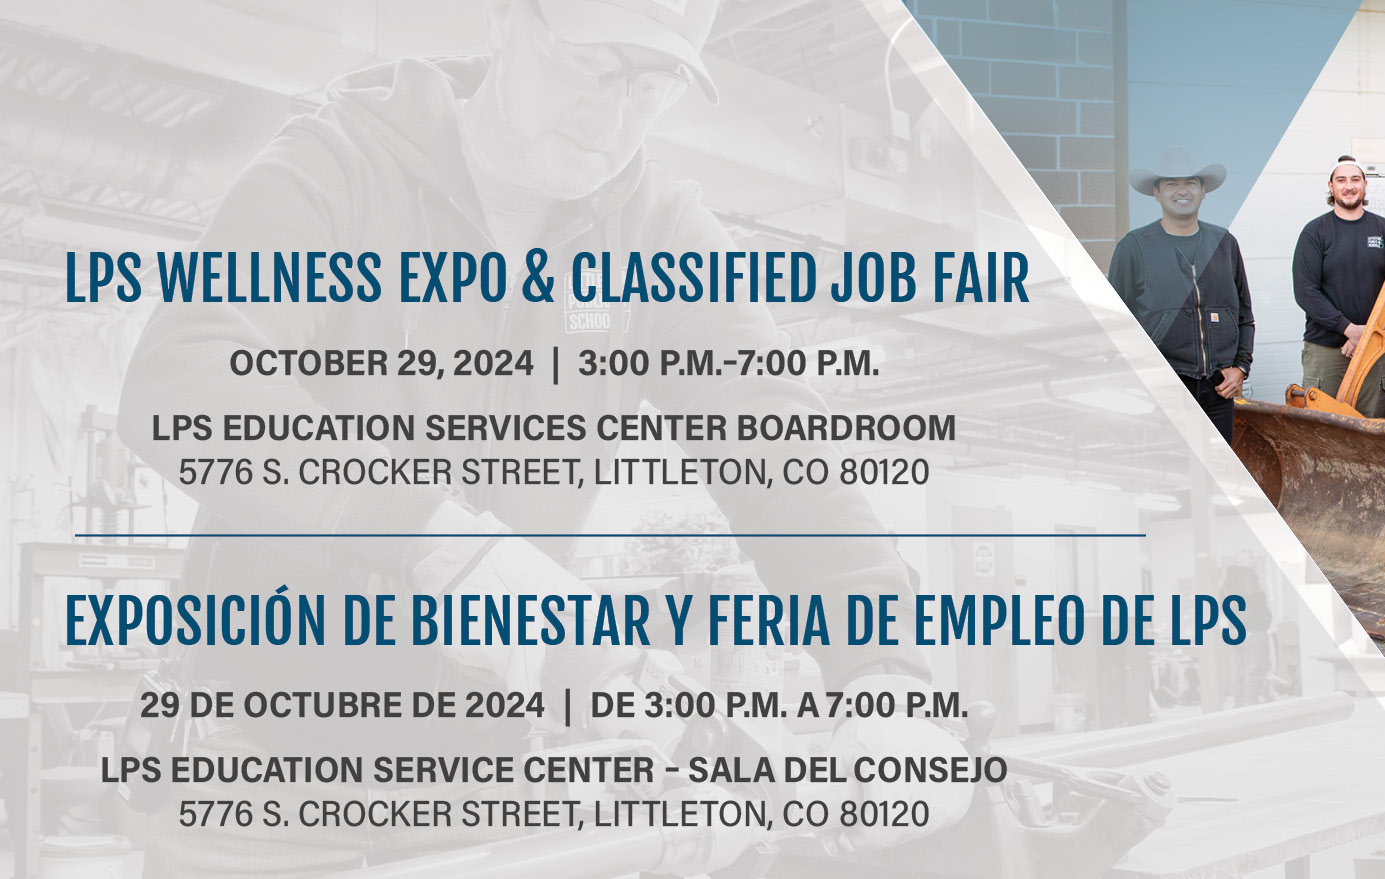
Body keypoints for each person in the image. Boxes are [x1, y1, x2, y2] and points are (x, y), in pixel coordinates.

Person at [117, 1, 940, 873]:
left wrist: (886, 667)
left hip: (480, 786)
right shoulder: (344, 161)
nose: (610, 112)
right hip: (264, 776)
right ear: (507, 20)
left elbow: (782, 450)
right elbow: (184, 376)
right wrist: (435, 536)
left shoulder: (649, 233)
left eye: (649, 84)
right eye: (589, 64)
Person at [1109, 147, 1255, 440]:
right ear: (1157, 193)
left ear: (1203, 191)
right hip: (1163, 390)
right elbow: (1114, 324)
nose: (1182, 190)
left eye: (1190, 182)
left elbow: (1244, 316)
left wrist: (1240, 367)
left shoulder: (1224, 244)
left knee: (1214, 474)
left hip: (1217, 392)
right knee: (1169, 476)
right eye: (1171, 184)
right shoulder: (1135, 247)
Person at [1294, 155, 1385, 416]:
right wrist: (1348, 329)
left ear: (1365, 185)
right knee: (1322, 428)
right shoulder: (1315, 232)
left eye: (1355, 179)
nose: (1349, 185)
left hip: (1374, 349)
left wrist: (1366, 334)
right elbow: (1306, 291)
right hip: (1326, 350)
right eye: (1341, 180)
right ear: (1331, 187)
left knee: (1369, 428)